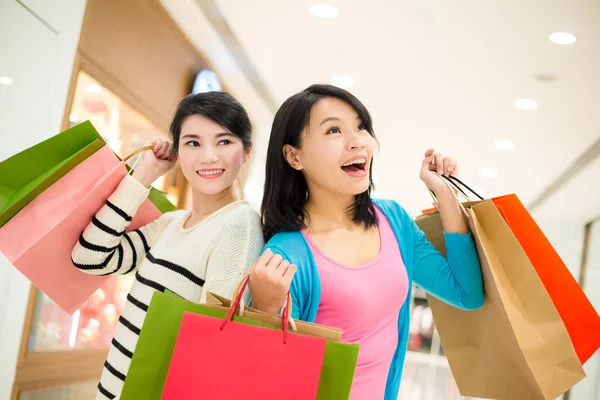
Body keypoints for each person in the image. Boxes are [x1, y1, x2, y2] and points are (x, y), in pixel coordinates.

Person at [249, 84, 484, 400]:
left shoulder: (393, 221)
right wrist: (265, 309)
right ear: (294, 156)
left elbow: (466, 293)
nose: (357, 141)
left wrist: (445, 194)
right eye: (334, 130)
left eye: (360, 127)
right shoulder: (286, 256)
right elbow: (264, 379)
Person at [72, 92, 266, 400]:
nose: (208, 156)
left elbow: (214, 345)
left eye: (224, 142)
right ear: (177, 152)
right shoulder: (172, 223)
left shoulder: (239, 225)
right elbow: (89, 258)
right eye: (193, 143)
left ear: (246, 153)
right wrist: (144, 175)